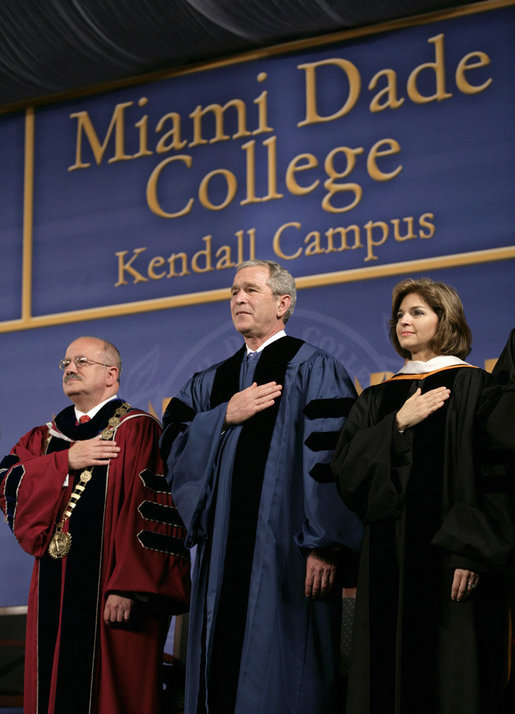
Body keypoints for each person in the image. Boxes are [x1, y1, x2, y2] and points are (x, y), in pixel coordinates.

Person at [160, 259, 363, 714]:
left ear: (283, 303)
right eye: (233, 291)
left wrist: (324, 545)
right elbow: (172, 441)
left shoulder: (315, 368)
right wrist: (223, 416)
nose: (238, 299)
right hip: (221, 555)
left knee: (285, 672)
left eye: (250, 290)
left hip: (289, 553)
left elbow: (332, 458)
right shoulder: (209, 383)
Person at [331, 278, 514, 714]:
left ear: (445, 319)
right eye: (399, 315)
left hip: (453, 561)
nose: (404, 322)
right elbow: (348, 473)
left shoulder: (477, 389)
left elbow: (495, 476)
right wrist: (397, 424)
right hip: (386, 566)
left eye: (417, 313)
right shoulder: (378, 398)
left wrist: (470, 551)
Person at [0, 336, 191, 714]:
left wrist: (130, 587)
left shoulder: (138, 430)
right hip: (55, 589)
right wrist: (65, 461)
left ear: (111, 374)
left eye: (82, 361)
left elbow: (152, 511)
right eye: (66, 363)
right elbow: (7, 480)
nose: (70, 368)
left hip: (115, 594)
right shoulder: (45, 438)